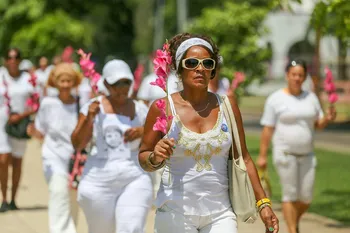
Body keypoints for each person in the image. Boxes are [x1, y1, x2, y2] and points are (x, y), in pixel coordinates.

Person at [138, 32, 279, 233]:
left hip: (221, 214)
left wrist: (263, 204)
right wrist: (154, 157)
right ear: (179, 69)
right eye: (192, 63)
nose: (200, 69)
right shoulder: (162, 108)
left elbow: (244, 158)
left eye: (207, 63)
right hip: (175, 212)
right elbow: (143, 156)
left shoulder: (227, 106)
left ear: (213, 70)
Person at [71, 59, 153, 233]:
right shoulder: (92, 107)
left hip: (134, 176)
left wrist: (142, 131)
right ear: (106, 84)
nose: (122, 88)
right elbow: (78, 143)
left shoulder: (140, 109)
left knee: (131, 227)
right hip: (98, 179)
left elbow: (156, 137)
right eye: (116, 84)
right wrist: (89, 118)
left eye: (126, 82)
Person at [256, 59, 336, 233]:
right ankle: (292, 230)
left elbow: (317, 124)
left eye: (301, 75)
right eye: (294, 74)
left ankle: (294, 221)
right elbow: (268, 129)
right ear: (287, 76)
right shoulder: (275, 99)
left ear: (304, 77)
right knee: (290, 195)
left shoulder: (311, 98)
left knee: (306, 198)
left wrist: (327, 119)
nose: (297, 78)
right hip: (285, 154)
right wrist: (262, 155)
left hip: (307, 154)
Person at [27, 63, 82, 233]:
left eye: (69, 81)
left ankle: (70, 229)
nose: (65, 84)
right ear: (55, 83)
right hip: (53, 157)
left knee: (73, 198)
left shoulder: (81, 105)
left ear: (74, 83)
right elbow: (41, 131)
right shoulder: (48, 103)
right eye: (62, 81)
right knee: (59, 193)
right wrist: (32, 131)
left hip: (75, 160)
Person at [0, 48, 36, 212]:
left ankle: (14, 199)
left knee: (17, 162)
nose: (12, 61)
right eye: (9, 57)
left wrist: (22, 116)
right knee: (3, 159)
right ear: (6, 60)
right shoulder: (1, 76)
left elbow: (36, 103)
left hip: (19, 125)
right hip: (2, 124)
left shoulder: (28, 79)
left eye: (16, 57)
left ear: (20, 60)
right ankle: (4, 199)